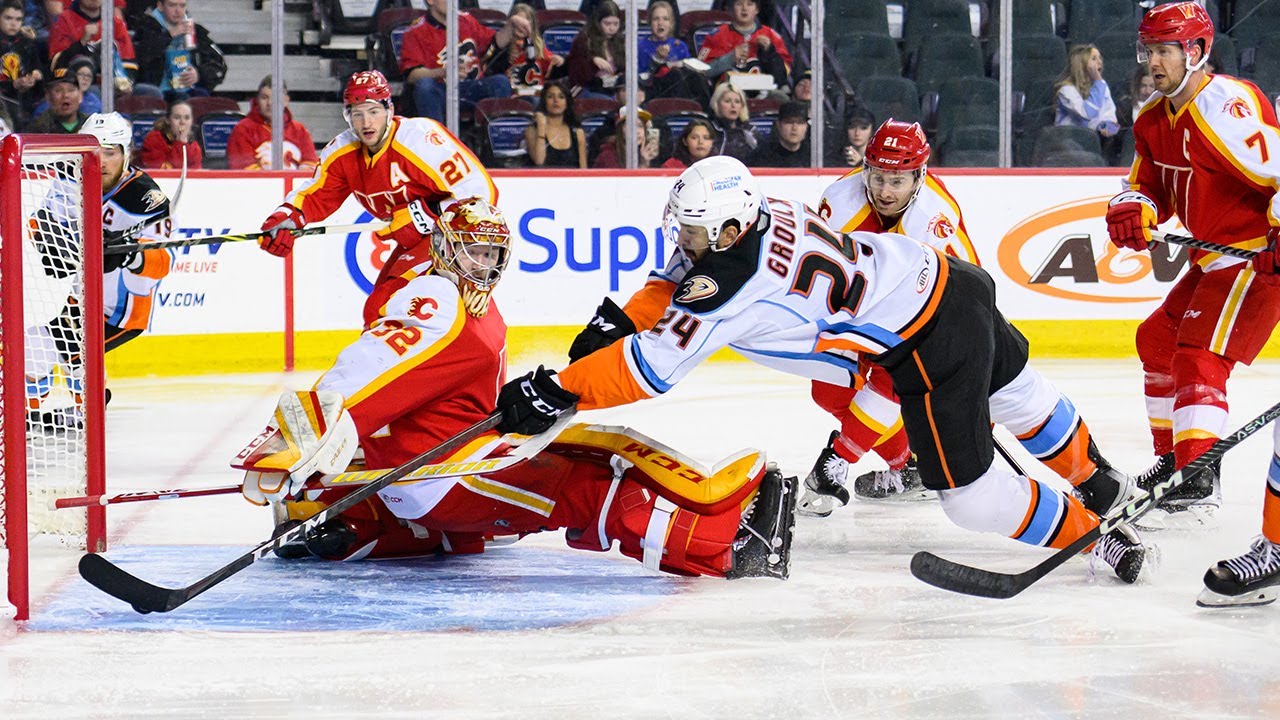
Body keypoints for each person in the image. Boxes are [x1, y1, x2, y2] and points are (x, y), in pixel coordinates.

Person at [240, 72, 794, 580]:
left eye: (491, 254)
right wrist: (301, 440)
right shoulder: (435, 301)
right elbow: (367, 371)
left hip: (424, 473)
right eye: (471, 252)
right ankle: (715, 545)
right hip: (435, 481)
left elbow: (472, 203)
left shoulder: (458, 285)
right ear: (442, 247)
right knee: (579, 484)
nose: (483, 266)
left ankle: (366, 527)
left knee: (586, 445)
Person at [516, 155, 1146, 584]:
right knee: (1016, 395)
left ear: (730, 228)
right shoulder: (770, 210)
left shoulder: (732, 284)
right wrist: (623, 318)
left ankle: (1096, 537)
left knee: (971, 501)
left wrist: (558, 389)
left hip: (928, 341)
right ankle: (1099, 478)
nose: (685, 242)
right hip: (958, 285)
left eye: (695, 231)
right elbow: (681, 277)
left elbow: (650, 370)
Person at [1105, 2, 1280, 536]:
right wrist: (1136, 207)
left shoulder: (1228, 106)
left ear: (1197, 52)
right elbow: (1146, 184)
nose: (1153, 62)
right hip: (1214, 260)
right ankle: (1176, 461)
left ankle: (1198, 475)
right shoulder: (1153, 116)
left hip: (1255, 258)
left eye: (1165, 51)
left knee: (1199, 356)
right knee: (1156, 340)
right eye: (1149, 50)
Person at [398, 0, 515, 123]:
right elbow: (412, 75)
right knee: (425, 87)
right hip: (441, 90)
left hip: (470, 88)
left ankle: (492, 137)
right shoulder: (416, 31)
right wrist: (445, 72)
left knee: (501, 82)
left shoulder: (467, 20)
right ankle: (437, 139)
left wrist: (512, 26)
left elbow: (494, 43)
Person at [131, 0, 227, 100]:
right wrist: (170, 35)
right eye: (172, 5)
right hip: (156, 97)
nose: (178, 11)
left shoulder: (196, 31)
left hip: (188, 95)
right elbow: (141, 57)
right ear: (160, 6)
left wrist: (199, 74)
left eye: (182, 6)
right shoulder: (145, 28)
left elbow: (219, 64)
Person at [226, 75, 319, 171]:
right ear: (257, 100)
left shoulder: (299, 130)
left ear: (286, 101)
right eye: (264, 97)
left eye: (275, 97)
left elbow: (311, 165)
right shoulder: (243, 129)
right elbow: (245, 172)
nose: (270, 103)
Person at [697, 0, 790, 89]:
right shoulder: (717, 35)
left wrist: (770, 51)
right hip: (728, 91)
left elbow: (784, 74)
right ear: (731, 9)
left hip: (766, 90)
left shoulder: (771, 35)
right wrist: (730, 58)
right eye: (739, 4)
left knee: (782, 98)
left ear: (757, 9)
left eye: (749, 4)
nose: (744, 8)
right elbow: (700, 71)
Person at [47, 0, 138, 91]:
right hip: (75, 86)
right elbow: (57, 64)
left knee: (146, 90)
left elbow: (129, 62)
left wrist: (126, 83)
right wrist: (82, 41)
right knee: (94, 91)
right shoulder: (64, 20)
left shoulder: (115, 23)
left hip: (113, 86)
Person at [483, 3, 561, 98]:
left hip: (535, 95)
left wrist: (558, 61)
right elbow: (490, 72)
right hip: (510, 96)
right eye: (519, 22)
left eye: (526, 21)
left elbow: (553, 69)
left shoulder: (539, 49)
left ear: (533, 26)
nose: (522, 26)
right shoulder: (502, 49)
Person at [639, 0, 707, 105]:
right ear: (650, 22)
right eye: (656, 19)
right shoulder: (641, 46)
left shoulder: (680, 46)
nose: (660, 23)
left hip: (682, 89)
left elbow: (689, 69)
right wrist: (658, 60)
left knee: (697, 77)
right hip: (655, 90)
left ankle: (704, 112)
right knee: (675, 74)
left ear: (671, 24)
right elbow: (643, 79)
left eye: (665, 19)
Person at [1054, 44, 1119, 139]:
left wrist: (1109, 128)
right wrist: (1100, 126)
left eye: (1100, 58)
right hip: (1068, 140)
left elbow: (1112, 119)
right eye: (1094, 59)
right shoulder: (1066, 89)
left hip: (1093, 138)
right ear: (1081, 65)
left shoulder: (1101, 84)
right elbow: (1086, 114)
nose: (1100, 62)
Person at [565, 0, 623, 100]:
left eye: (615, 24)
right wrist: (592, 61)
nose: (612, 28)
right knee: (610, 102)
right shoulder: (583, 41)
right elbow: (577, 77)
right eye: (607, 24)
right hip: (588, 90)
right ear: (598, 22)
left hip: (614, 88)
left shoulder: (621, 41)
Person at [524, 81, 587, 168]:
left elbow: (583, 170)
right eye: (550, 97)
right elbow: (539, 161)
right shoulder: (532, 131)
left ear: (567, 103)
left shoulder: (577, 133)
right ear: (544, 102)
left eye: (561, 97)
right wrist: (541, 127)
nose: (556, 101)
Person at [0, 0, 43, 118]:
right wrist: (13, 85)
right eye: (8, 18)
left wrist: (34, 76)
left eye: (18, 19)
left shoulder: (26, 42)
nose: (13, 23)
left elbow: (37, 68)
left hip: (25, 99)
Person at [23, 58, 86, 132]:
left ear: (80, 95)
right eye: (58, 90)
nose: (65, 95)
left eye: (71, 90)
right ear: (48, 96)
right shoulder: (37, 128)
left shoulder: (91, 124)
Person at [139, 97, 202, 169]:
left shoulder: (195, 147)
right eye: (177, 117)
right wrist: (180, 142)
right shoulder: (154, 139)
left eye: (187, 118)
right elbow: (169, 171)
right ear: (167, 120)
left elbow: (195, 174)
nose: (182, 122)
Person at [592, 105, 659, 168]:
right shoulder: (607, 157)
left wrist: (645, 162)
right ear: (620, 130)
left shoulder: (651, 156)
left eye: (640, 126)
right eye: (630, 126)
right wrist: (643, 165)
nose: (637, 131)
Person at [748, 99, 809, 168]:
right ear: (778, 125)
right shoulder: (760, 156)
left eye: (800, 123)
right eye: (789, 122)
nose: (794, 128)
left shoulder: (814, 156)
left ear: (806, 126)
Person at [708, 81, 756, 162]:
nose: (733, 106)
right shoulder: (708, 130)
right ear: (717, 104)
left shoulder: (750, 131)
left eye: (737, 102)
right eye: (727, 101)